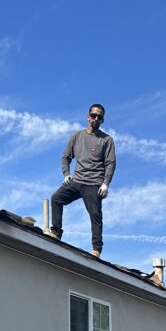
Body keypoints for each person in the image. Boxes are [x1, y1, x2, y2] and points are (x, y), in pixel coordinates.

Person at [48, 104, 116, 257]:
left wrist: (106, 183)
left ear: (102, 120)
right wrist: (66, 174)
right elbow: (66, 157)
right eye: (93, 115)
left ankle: (96, 249)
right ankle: (56, 233)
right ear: (88, 116)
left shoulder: (107, 140)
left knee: (95, 214)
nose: (96, 119)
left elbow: (110, 163)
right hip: (77, 180)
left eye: (99, 117)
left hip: (94, 183)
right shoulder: (77, 136)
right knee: (56, 198)